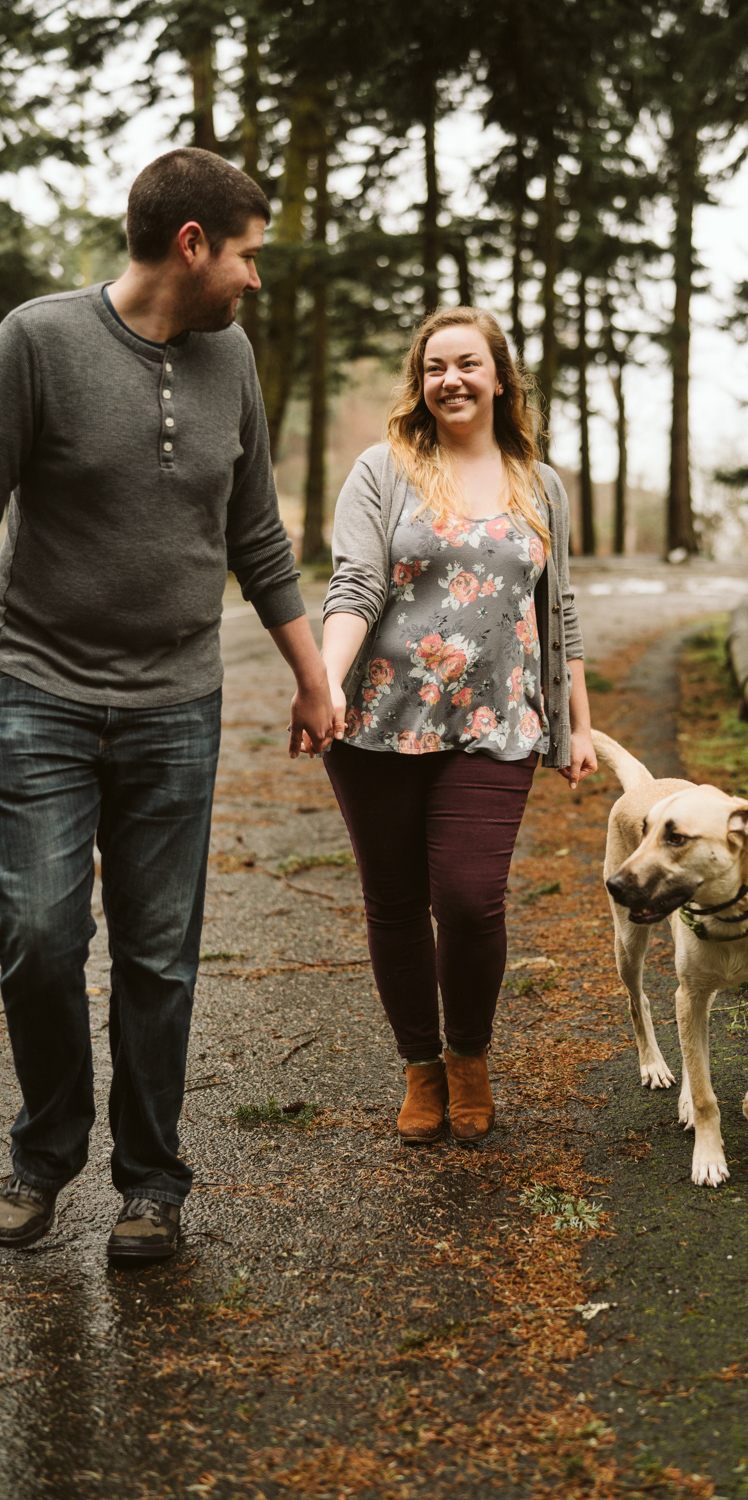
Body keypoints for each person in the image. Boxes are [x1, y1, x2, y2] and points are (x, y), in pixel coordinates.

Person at [0, 148, 334, 1260]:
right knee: (39, 936)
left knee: (158, 953)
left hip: (174, 704)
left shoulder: (230, 356)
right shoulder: (37, 343)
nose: (253, 279)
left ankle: (152, 1187)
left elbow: (257, 534)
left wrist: (311, 672)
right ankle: (45, 1157)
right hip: (37, 689)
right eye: (245, 255)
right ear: (191, 244)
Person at [321, 306, 597, 1144]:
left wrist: (577, 725)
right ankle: (420, 1067)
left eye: (468, 364)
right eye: (436, 366)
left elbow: (561, 613)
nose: (452, 379)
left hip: (497, 722)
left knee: (471, 901)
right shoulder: (385, 468)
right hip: (376, 721)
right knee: (396, 904)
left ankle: (469, 1053)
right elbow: (354, 587)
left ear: (500, 377)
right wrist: (325, 685)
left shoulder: (537, 482)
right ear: (420, 381)